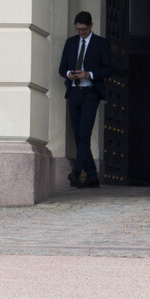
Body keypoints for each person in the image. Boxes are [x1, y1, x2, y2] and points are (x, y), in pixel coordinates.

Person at [57, 11, 111, 189]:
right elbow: (62, 68)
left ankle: (76, 172)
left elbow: (108, 69)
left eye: (84, 29)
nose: (81, 33)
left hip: (91, 92)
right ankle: (92, 176)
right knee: (78, 135)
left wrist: (90, 74)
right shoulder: (71, 43)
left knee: (84, 134)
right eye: (78, 29)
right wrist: (69, 74)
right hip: (74, 92)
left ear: (91, 26)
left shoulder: (101, 44)